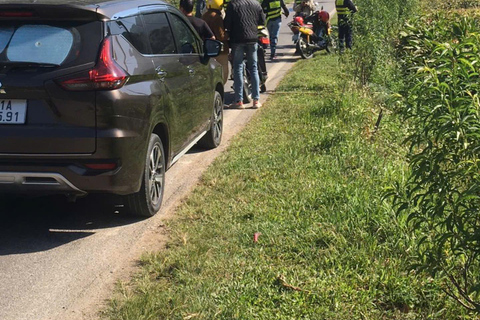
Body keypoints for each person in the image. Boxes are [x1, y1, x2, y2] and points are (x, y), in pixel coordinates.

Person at [224, 0, 265, 109]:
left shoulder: (232, 4)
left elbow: (227, 24)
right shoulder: (256, 3)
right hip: (252, 39)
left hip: (237, 40)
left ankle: (239, 101)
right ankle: (256, 101)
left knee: (238, 68)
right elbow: (262, 21)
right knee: (254, 68)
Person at [202, 0, 229, 84]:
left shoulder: (204, 16)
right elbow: (221, 36)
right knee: (223, 73)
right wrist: (228, 35)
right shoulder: (217, 17)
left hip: (207, 49)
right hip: (220, 50)